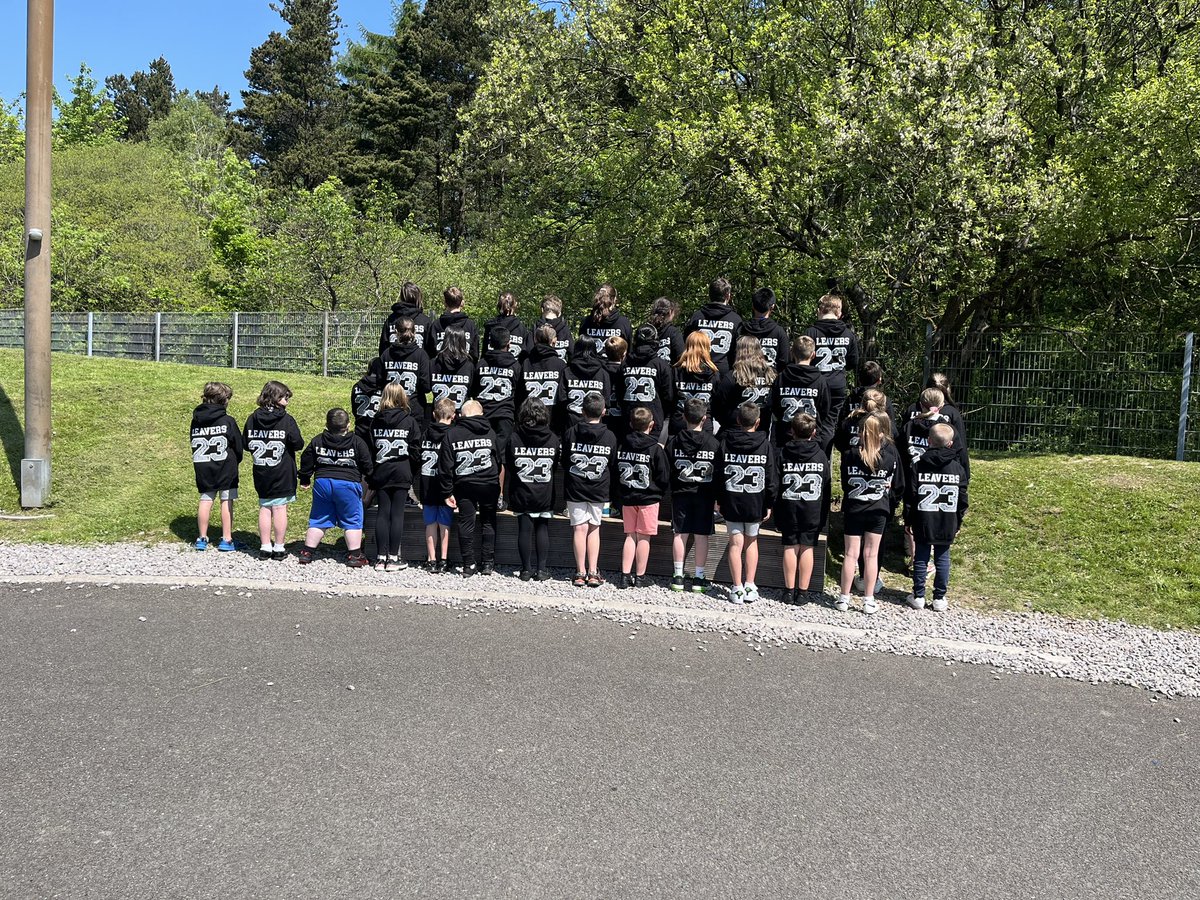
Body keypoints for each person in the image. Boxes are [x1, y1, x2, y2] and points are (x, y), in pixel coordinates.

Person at [837, 412, 902, 614]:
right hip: (878, 509)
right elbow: (894, 484)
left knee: (850, 554)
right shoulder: (890, 456)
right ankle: (868, 599)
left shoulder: (849, 455)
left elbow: (845, 483)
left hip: (854, 507)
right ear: (881, 434)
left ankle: (843, 598)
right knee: (871, 555)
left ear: (861, 433)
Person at [716, 402, 778, 604]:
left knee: (735, 543)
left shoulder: (725, 442)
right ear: (758, 422)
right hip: (755, 500)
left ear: (737, 420)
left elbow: (718, 473)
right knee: (751, 542)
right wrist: (769, 502)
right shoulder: (765, 445)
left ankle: (736, 587)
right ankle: (750, 584)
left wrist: (718, 498)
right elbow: (771, 476)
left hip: (732, 498)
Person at [898, 387, 969, 560]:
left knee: (914, 514)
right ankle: (925, 559)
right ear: (942, 404)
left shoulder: (908, 426)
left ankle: (915, 558)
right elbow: (960, 454)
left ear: (920, 405)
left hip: (912, 477)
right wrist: (964, 475)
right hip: (939, 479)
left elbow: (900, 454)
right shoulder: (947, 430)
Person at [297, 408, 373, 567]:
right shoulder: (357, 442)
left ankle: (307, 552)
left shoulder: (318, 440)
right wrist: (372, 479)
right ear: (349, 425)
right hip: (348, 484)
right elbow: (367, 464)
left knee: (319, 518)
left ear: (326, 424)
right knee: (352, 520)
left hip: (323, 482)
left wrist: (305, 478)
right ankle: (355, 556)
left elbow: (306, 459)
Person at [906, 423, 969, 612]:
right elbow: (962, 498)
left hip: (923, 518)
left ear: (928, 441)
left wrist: (908, 519)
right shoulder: (957, 468)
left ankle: (918, 595)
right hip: (947, 519)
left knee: (921, 557)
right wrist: (958, 521)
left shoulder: (918, 465)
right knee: (943, 557)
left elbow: (911, 495)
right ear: (951, 443)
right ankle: (939, 597)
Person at [438, 399, 502, 577]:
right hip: (489, 483)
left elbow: (445, 466)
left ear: (461, 415)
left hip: (465, 484)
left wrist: (447, 491)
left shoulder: (452, 434)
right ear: (481, 414)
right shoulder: (490, 432)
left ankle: (468, 564)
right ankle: (488, 563)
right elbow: (498, 460)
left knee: (466, 523)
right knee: (489, 522)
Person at [243, 380, 304, 560]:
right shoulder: (286, 419)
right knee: (279, 508)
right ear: (277, 398)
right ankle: (278, 547)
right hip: (282, 470)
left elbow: (246, 443)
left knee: (264, 506)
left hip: (261, 470)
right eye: (285, 397)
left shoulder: (252, 418)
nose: (287, 400)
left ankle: (264, 547)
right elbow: (298, 443)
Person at [562, 391, 618, 588]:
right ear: (603, 411)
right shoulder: (610, 436)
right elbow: (611, 463)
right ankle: (593, 572)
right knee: (594, 528)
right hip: (599, 487)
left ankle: (580, 572)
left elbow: (565, 459)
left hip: (575, 485)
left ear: (582, 411)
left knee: (579, 528)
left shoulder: (571, 432)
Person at [775, 414, 831, 604]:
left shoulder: (782, 453)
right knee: (807, 547)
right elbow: (826, 484)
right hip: (812, 506)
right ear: (814, 433)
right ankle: (803, 592)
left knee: (790, 546)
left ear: (792, 431)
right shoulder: (821, 455)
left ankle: (788, 590)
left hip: (788, 505)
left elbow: (776, 482)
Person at [665, 398, 719, 592]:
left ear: (684, 417)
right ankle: (698, 577)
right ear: (704, 419)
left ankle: (678, 575)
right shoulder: (713, 443)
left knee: (680, 533)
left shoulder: (674, 440)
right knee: (701, 535)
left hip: (681, 492)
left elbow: (668, 465)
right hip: (704, 494)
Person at [370, 382, 423, 571]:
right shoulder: (409, 421)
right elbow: (416, 449)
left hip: (382, 469)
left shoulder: (375, 420)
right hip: (402, 468)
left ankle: (380, 558)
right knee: (397, 513)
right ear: (402, 398)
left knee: (383, 512)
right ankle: (393, 557)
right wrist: (412, 469)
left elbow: (371, 446)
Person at [616, 407, 671, 588]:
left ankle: (625, 575)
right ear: (652, 425)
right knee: (643, 537)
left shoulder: (623, 444)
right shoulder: (655, 449)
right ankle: (640, 576)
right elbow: (663, 476)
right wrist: (658, 493)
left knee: (630, 536)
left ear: (631, 424)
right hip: (649, 498)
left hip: (628, 496)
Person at [506, 398, 560, 581]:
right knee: (542, 527)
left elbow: (510, 463)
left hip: (521, 488)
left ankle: (526, 570)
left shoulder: (515, 436)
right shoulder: (552, 438)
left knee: (524, 528)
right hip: (544, 490)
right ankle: (542, 570)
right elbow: (554, 464)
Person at [190, 381, 244, 552]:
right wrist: (237, 459)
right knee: (226, 501)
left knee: (205, 499)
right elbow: (237, 444)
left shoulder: (196, 420)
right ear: (224, 400)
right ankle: (226, 539)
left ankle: (201, 537)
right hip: (226, 466)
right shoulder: (227, 420)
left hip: (203, 464)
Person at [804, 293, 860, 424]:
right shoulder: (848, 334)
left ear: (819, 311)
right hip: (837, 383)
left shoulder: (811, 333)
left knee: (810, 422)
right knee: (830, 424)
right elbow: (853, 362)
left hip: (814, 383)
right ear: (839, 314)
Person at [770, 335, 833, 450]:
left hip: (785, 436)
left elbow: (774, 405)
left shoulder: (781, 377)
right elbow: (824, 409)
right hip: (811, 438)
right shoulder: (820, 380)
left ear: (791, 353)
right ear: (813, 355)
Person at [473, 325, 521, 472]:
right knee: (501, 457)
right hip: (505, 415)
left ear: (490, 344)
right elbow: (519, 393)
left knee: (482, 452)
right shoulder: (515, 366)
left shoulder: (481, 364)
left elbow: (474, 390)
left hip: (483, 413)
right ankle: (499, 493)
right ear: (509, 344)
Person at [418, 398, 456, 573]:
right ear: (453, 416)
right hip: (446, 485)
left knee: (430, 523)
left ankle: (431, 559)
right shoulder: (453, 434)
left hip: (427, 483)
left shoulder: (425, 433)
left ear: (433, 415)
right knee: (445, 525)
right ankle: (444, 560)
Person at [620, 324, 675, 444]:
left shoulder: (625, 364)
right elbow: (669, 396)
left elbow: (620, 392)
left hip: (630, 420)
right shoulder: (661, 365)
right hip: (653, 421)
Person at [369, 317, 432, 421]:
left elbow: (380, 382)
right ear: (415, 332)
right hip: (414, 409)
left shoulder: (386, 354)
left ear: (396, 332)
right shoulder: (421, 355)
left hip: (391, 408)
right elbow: (426, 386)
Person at [714, 335, 776, 430]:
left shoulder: (732, 376)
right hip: (760, 432)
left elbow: (718, 407)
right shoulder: (770, 375)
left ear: (739, 352)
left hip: (733, 431)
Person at [685, 277, 743, 374]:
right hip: (724, 373)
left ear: (709, 295)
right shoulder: (735, 320)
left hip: (698, 371)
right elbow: (738, 351)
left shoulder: (697, 317)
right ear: (728, 296)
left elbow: (687, 344)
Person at [669, 331, 720, 436]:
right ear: (706, 348)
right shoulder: (714, 373)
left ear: (687, 346)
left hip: (679, 422)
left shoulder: (676, 371)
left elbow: (669, 397)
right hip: (704, 423)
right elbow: (717, 401)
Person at [519, 324, 569, 427]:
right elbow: (563, 397)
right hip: (553, 421)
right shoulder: (561, 364)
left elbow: (519, 394)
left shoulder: (526, 363)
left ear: (535, 339)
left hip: (529, 419)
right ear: (554, 341)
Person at [905, 372, 968, 445]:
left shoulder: (913, 408)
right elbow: (960, 444)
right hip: (942, 455)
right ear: (947, 389)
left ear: (925, 388)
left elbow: (902, 438)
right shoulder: (952, 413)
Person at [839, 360, 900, 432]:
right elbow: (892, 429)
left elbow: (841, 423)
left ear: (859, 379)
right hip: (876, 439)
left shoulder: (851, 398)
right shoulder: (883, 400)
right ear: (879, 380)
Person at [737, 287, 789, 369]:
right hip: (771, 379)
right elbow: (784, 361)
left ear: (753, 306)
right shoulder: (779, 332)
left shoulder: (741, 329)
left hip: (744, 378)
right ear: (772, 307)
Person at [430, 327, 476, 418]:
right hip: (460, 415)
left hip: (439, 417)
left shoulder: (433, 363)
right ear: (463, 342)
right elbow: (471, 391)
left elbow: (427, 386)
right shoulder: (469, 365)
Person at [378, 281, 433, 355]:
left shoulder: (391, 319)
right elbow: (430, 350)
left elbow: (383, 347)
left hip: (393, 363)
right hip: (418, 363)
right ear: (418, 298)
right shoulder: (425, 321)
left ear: (401, 297)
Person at [426, 286, 479, 360]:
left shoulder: (436, 325)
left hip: (439, 369)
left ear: (445, 303)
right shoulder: (470, 325)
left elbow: (430, 352)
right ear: (461, 302)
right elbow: (475, 353)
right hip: (464, 369)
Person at [579, 283, 632, 352]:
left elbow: (580, 349)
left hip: (590, 362)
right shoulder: (623, 323)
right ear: (614, 300)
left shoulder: (586, 322)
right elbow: (629, 351)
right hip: (615, 362)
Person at [484, 290, 532, 360]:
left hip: (490, 368)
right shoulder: (521, 328)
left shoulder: (491, 326)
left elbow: (485, 352)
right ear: (515, 305)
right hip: (514, 368)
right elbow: (524, 355)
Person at [602, 335, 629, 445]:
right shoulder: (627, 372)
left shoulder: (600, 371)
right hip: (621, 419)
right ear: (624, 354)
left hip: (604, 418)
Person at [351, 366, 384, 446]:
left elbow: (354, 409)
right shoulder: (384, 387)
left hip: (360, 428)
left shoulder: (357, 386)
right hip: (378, 431)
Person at [534, 294, 573, 362]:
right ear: (560, 313)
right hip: (561, 370)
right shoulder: (565, 330)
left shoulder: (536, 328)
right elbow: (572, 354)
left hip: (538, 369)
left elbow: (528, 352)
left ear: (542, 310)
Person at [649, 296, 684, 365]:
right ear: (670, 312)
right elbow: (681, 357)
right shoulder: (673, 332)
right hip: (668, 373)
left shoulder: (646, 330)